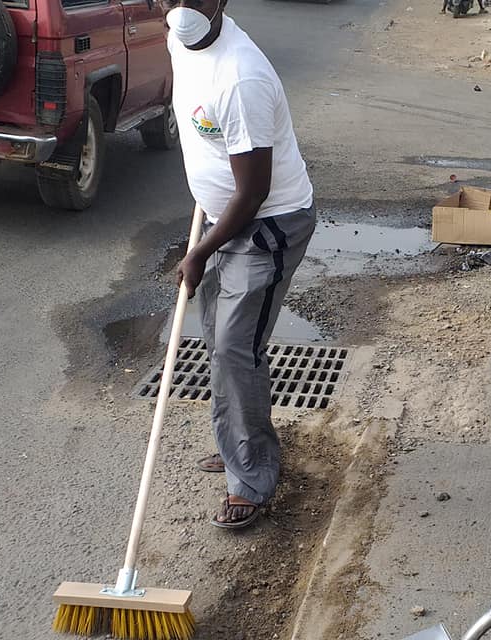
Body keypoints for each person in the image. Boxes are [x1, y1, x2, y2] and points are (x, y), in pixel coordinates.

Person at [166, 0, 316, 530]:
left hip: (267, 225)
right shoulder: (177, 39)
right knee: (217, 338)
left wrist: (200, 252)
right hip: (220, 218)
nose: (182, 8)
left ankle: (251, 475)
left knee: (235, 346)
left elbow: (253, 193)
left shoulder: (241, 78)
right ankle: (236, 445)